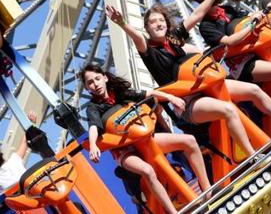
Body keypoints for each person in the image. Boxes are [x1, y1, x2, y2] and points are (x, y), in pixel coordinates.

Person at [106, 0, 271, 160]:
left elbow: (197, 14)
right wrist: (122, 23)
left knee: (253, 90)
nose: (158, 24)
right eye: (153, 22)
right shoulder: (149, 50)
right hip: (189, 102)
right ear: (147, 28)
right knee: (227, 109)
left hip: (207, 86)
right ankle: (253, 156)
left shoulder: (174, 38)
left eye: (161, 20)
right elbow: (137, 38)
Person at [82, 64, 210, 214]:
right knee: (147, 170)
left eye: (97, 79)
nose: (95, 84)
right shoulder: (93, 107)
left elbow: (148, 93)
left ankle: (208, 190)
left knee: (189, 141)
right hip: (125, 150)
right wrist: (93, 145)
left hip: (145, 140)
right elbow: (93, 126)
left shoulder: (120, 93)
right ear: (86, 87)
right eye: (90, 82)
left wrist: (170, 97)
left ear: (104, 77)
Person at [0, 111, 37, 192]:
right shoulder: (14, 161)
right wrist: (32, 123)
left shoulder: (14, 160)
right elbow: (25, 142)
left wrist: (31, 123)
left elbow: (25, 142)